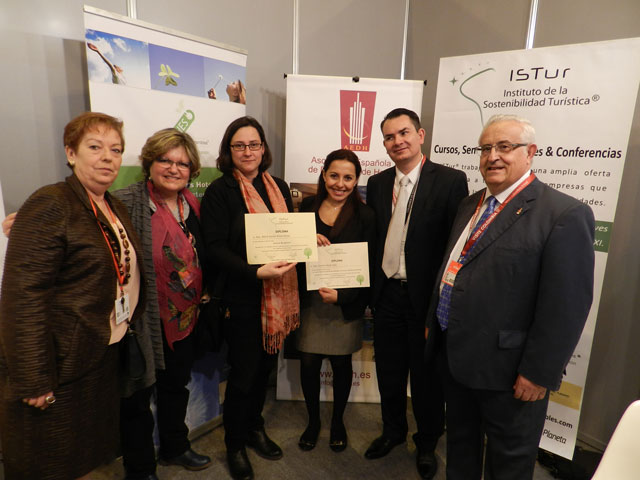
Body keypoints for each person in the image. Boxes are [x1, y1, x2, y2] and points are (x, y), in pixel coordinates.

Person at [426, 114, 595, 480]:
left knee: (508, 464)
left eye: (504, 147)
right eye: (486, 148)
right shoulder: (471, 204)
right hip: (457, 358)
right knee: (460, 449)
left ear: (530, 152)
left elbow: (566, 307)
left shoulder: (563, 214)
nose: (493, 156)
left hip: (510, 372)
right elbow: (454, 268)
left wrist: (538, 373)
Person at [0, 112, 144, 480]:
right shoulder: (52, 203)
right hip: (59, 363)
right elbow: (23, 298)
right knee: (48, 459)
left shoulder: (112, 205)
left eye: (115, 150)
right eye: (95, 147)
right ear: (70, 153)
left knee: (79, 453)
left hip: (97, 352)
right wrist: (33, 377)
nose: (107, 157)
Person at [365, 108, 468, 480]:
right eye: (390, 137)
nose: (398, 141)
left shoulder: (450, 180)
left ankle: (426, 442)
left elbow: (455, 245)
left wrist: (441, 302)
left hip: (425, 299)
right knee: (388, 370)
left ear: (420, 135)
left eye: (404, 133)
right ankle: (392, 431)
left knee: (427, 378)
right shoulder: (377, 183)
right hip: (387, 294)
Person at [200, 116, 299, 480]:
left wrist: (308, 242)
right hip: (242, 297)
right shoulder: (220, 191)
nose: (247, 152)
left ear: (263, 148)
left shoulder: (279, 186)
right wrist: (255, 272)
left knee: (265, 371)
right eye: (239, 145)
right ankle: (235, 444)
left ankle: (255, 428)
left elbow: (289, 234)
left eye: (253, 144)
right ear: (229, 150)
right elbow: (214, 248)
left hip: (277, 297)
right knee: (243, 375)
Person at [113, 128, 211, 480]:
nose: (173, 168)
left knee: (175, 386)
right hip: (143, 319)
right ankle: (140, 469)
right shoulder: (125, 202)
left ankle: (175, 446)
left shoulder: (192, 204)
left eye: (182, 163)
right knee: (137, 398)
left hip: (184, 317)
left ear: (192, 170)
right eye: (165, 160)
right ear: (149, 163)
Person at [295, 149, 375, 453]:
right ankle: (313, 421)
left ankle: (338, 421)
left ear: (356, 180)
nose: (340, 184)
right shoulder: (307, 207)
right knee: (308, 363)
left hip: (344, 304)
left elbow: (369, 268)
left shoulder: (366, 216)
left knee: (342, 364)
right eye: (334, 176)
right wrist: (305, 240)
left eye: (348, 178)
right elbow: (292, 251)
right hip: (310, 302)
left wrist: (343, 296)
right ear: (324, 174)